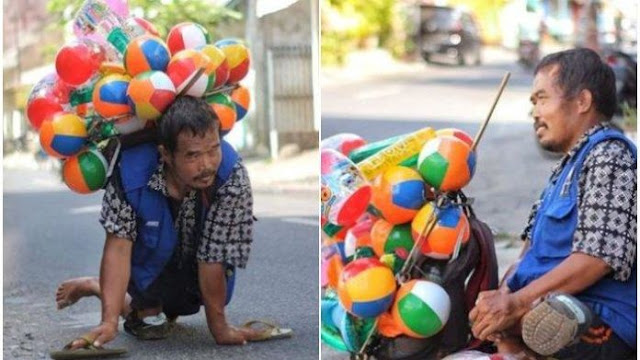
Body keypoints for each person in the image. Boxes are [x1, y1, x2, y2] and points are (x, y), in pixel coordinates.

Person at [55, 96, 286, 349]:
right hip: (148, 271)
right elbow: (118, 247)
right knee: (152, 323)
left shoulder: (232, 176)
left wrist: (221, 329)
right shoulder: (130, 174)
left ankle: (113, 290)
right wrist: (108, 322)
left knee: (194, 302)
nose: (207, 165)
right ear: (165, 154)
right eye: (193, 155)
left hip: (198, 267)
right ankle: (100, 288)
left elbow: (213, 256)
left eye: (213, 149)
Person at [469, 48, 636, 359]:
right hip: (538, 311)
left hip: (595, 319)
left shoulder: (609, 155)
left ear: (582, 101)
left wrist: (517, 304)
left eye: (542, 99)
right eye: (533, 102)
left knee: (545, 320)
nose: (535, 113)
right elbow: (527, 253)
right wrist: (504, 295)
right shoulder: (566, 168)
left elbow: (597, 257)